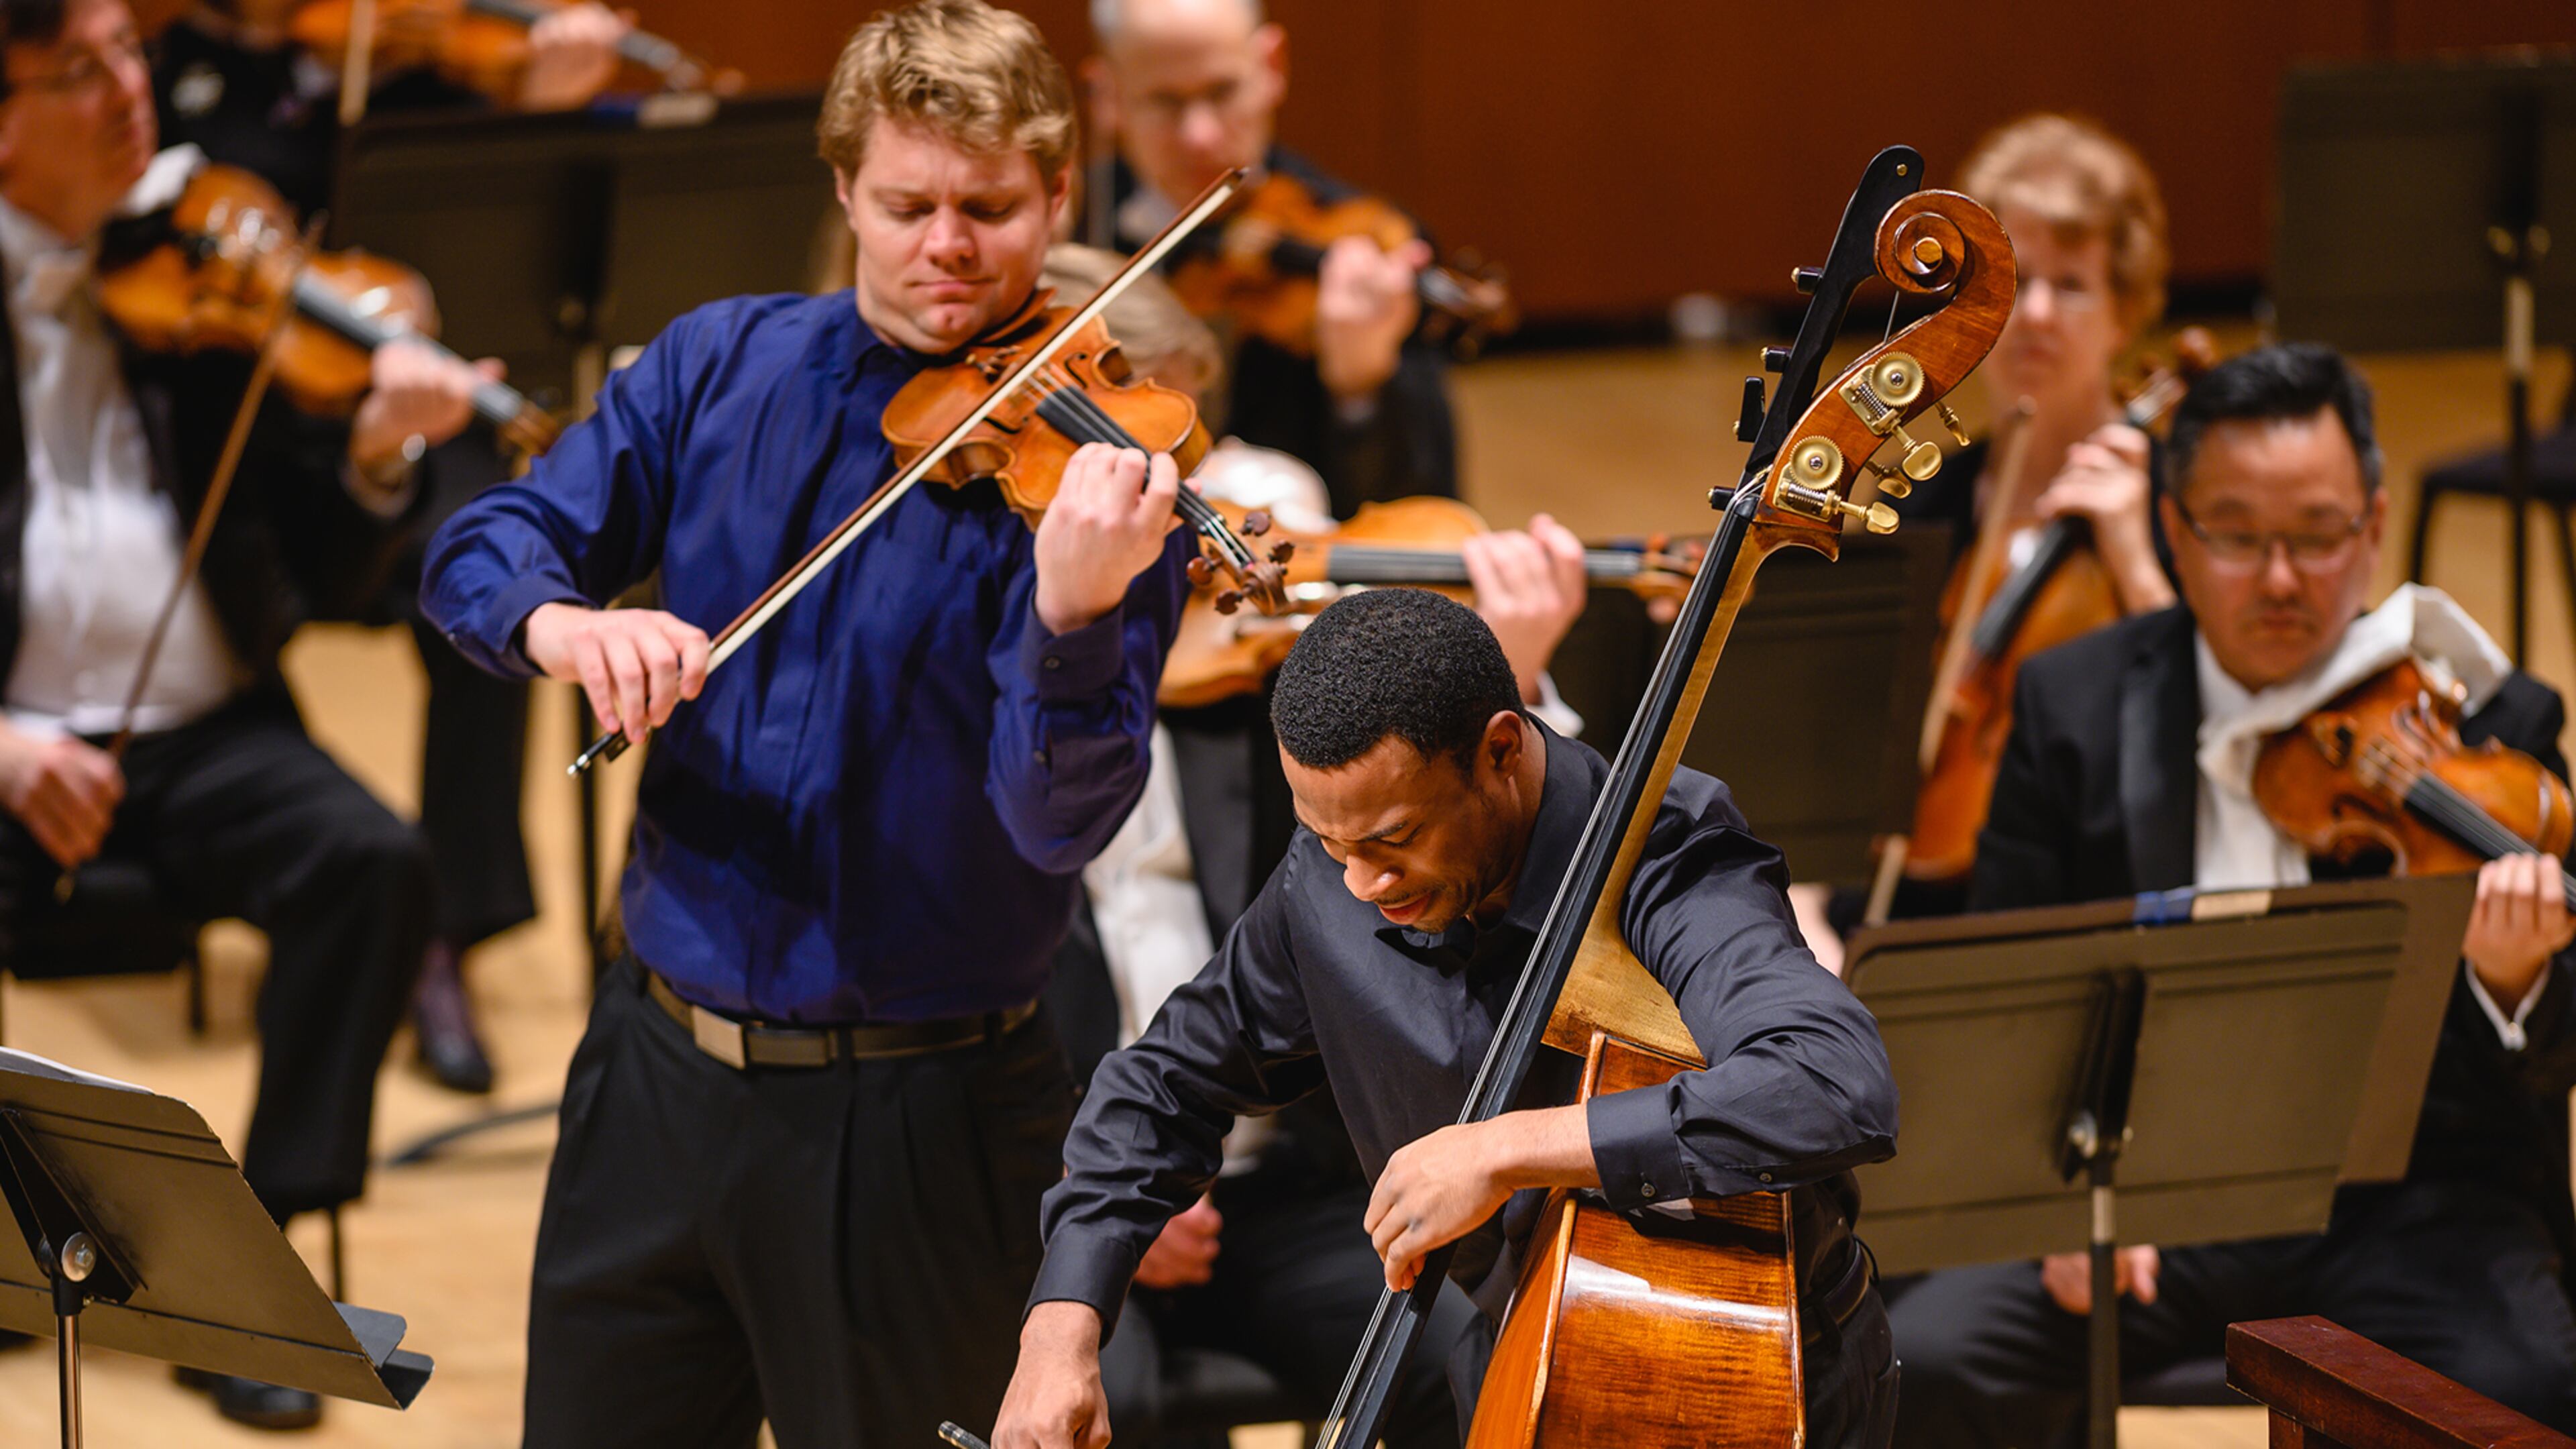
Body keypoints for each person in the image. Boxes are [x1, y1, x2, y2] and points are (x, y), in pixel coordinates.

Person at [419, 5, 1197, 1444]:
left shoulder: (1102, 479)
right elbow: (488, 545)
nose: (948, 246)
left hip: (920, 1114)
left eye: (990, 208)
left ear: (1060, 194)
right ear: (844, 189)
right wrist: (567, 622)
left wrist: (1075, 620)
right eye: (908, 206)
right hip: (651, 1081)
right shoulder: (717, 367)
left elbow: (1055, 823)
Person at [992, 586, 1902, 1449]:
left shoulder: (1664, 854)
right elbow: (1164, 1086)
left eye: (1393, 840)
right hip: (1512, 1352)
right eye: (1330, 841)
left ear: (1500, 750)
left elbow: (1832, 1083)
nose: (1362, 883)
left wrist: (1505, 1149)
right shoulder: (1337, 877)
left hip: (1746, 1371)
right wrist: (1060, 1329)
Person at [1886, 343, 2576, 1444]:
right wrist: (2059, 1198)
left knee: (2524, 1385)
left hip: (2411, 1207)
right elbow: (1999, 1000)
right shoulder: (2074, 703)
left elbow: (2543, 1081)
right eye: (2240, 536)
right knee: (1925, 1365)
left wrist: (2513, 981)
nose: (2283, 578)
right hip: (2144, 1207)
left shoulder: (2496, 729)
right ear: (2172, 524)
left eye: (2318, 535)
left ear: (2377, 522)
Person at [0, 0, 492, 1427]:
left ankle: (249, 1285)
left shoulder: (207, 281)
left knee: (373, 863)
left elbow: (325, 576)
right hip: (19, 744)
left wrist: (383, 461)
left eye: (128, 55)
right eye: (78, 72)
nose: (128, 93)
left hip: (205, 735)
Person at [1036, 244, 1585, 1449]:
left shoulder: (1267, 616)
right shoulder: (997, 677)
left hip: (1290, 1186)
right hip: (1068, 1183)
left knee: (1487, 1364)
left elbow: (1462, 824)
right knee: (1091, 1404)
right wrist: (1109, 1196)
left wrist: (1517, 675)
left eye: (1171, 469)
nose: (1157, 523)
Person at [150, 0, 633, 1093]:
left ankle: (441, 936)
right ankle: (295, 865)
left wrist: (537, 103)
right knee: (230, 583)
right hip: (246, 428)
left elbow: (489, 257)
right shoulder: (172, 72)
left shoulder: (425, 76)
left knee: (494, 575)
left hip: (403, 413)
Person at [1797, 112, 2181, 961]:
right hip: (1909, 889)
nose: (2036, 314)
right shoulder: (1931, 495)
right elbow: (1846, 728)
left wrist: (2132, 557)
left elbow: (2208, 724)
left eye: (2072, 285)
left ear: (2126, 314)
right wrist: (1808, 903)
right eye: (2013, 284)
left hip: (2088, 900)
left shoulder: (2174, 504)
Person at [1084, 0, 1456, 517]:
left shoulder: (1360, 241)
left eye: (1223, 91)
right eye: (1164, 101)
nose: (1201, 136)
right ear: (1109, 96)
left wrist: (1361, 386)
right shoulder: (1071, 223)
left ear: (1272, 67)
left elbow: (1431, 513)